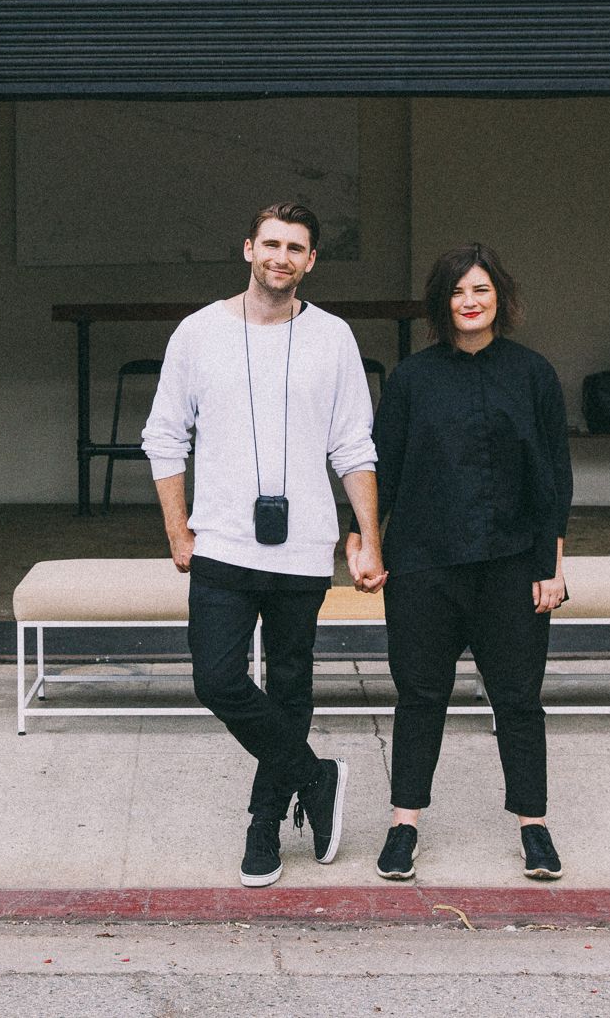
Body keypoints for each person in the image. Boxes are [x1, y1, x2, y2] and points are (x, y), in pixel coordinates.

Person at [141, 202, 383, 888]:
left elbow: (353, 444)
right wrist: (176, 527)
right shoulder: (199, 332)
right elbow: (164, 434)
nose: (281, 256)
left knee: (292, 685)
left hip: (304, 545)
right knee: (215, 678)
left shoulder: (333, 337)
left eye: (296, 247)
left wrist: (367, 534)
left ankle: (263, 826)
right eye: (270, 242)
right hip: (220, 541)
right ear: (248, 247)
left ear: (311, 261)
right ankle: (315, 773)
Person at [347, 243, 572, 882]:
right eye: (456, 292)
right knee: (420, 694)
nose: (469, 302)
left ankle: (534, 827)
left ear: (500, 296)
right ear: (440, 303)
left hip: (513, 563)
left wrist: (552, 565)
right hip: (424, 566)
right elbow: (380, 466)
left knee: (518, 698)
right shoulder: (413, 379)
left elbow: (555, 475)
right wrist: (362, 540)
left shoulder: (533, 374)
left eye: (481, 289)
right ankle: (403, 824)